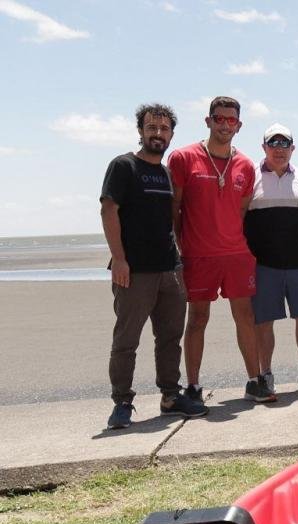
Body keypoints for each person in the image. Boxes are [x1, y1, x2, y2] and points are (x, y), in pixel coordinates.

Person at [101, 103, 207, 429]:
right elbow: (109, 211)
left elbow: (170, 220)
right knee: (126, 340)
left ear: (171, 134)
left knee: (170, 337)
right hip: (134, 271)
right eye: (152, 128)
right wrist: (119, 259)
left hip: (169, 270)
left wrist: (179, 260)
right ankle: (122, 402)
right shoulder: (123, 166)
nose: (157, 134)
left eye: (164, 129)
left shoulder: (164, 172)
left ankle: (170, 397)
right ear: (141, 131)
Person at [168, 96, 274, 403]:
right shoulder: (183, 158)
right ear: (208, 121)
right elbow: (174, 208)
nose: (225, 125)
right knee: (198, 318)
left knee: (245, 316)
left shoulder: (244, 165)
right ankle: (193, 386)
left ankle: (255, 381)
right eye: (219, 119)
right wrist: (181, 246)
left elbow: (240, 210)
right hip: (198, 255)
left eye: (231, 120)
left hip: (236, 255)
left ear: (239, 126)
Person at [244, 123, 298, 394]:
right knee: (263, 321)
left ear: (293, 148)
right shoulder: (249, 175)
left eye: (284, 144)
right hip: (263, 265)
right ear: (264, 147)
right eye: (273, 143)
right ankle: (265, 374)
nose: (279, 149)